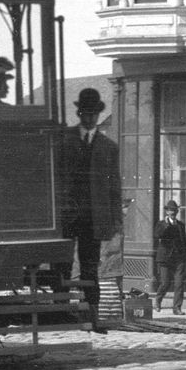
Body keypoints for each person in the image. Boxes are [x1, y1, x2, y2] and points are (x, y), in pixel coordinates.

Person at [60, 88, 121, 310]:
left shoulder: (108, 147)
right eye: (86, 114)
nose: (90, 118)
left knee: (90, 267)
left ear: (97, 115)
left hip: (93, 217)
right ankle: (61, 309)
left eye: (93, 114)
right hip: (66, 215)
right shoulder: (63, 140)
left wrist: (115, 220)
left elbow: (114, 187)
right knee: (62, 265)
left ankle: (91, 312)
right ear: (80, 114)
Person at [151, 201, 186, 316]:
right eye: (170, 211)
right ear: (167, 212)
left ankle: (177, 308)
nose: (172, 213)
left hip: (178, 259)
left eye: (174, 210)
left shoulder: (181, 225)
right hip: (165, 259)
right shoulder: (161, 224)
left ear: (177, 211)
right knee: (165, 283)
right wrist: (166, 224)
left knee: (179, 284)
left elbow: (183, 242)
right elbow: (157, 235)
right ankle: (158, 300)